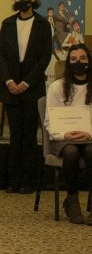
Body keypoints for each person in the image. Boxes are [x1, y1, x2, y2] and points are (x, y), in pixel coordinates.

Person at [0, 0, 53, 194]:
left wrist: (26, 82)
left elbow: (44, 57)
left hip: (32, 88)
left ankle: (28, 181)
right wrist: (9, 81)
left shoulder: (42, 24)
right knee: (15, 136)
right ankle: (13, 180)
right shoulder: (7, 24)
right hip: (10, 87)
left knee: (29, 136)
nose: (21, 0)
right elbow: (1, 55)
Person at [43, 43, 91, 225]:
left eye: (83, 58)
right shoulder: (57, 87)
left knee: (91, 152)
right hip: (63, 138)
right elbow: (49, 121)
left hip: (89, 136)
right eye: (74, 59)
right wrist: (65, 134)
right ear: (68, 63)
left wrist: (88, 133)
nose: (78, 62)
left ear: (89, 61)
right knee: (71, 152)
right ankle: (72, 200)